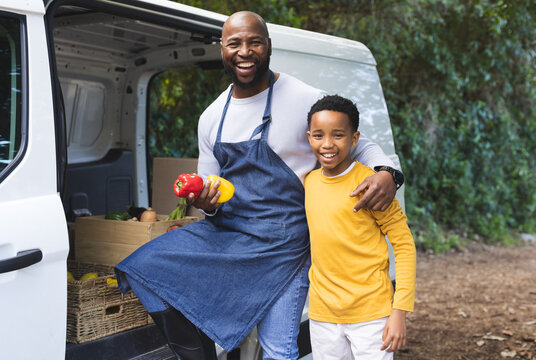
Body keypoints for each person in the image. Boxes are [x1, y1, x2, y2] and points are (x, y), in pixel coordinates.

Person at [115, 11, 404, 360]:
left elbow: (362, 144)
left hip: (287, 245)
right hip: (230, 235)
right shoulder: (211, 117)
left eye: (254, 42)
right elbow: (210, 192)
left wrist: (387, 172)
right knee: (144, 268)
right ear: (221, 48)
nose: (244, 51)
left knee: (277, 350)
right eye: (234, 43)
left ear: (268, 46)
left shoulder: (302, 98)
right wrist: (207, 202)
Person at [304, 94, 416, 360]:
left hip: (371, 315)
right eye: (318, 136)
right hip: (322, 316)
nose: (327, 144)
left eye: (338, 135)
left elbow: (404, 246)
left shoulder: (372, 185)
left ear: (354, 139)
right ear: (309, 137)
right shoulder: (308, 182)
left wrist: (399, 312)